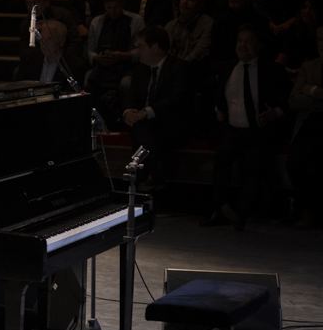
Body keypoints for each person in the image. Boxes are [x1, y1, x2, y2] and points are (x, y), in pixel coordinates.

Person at [202, 26, 291, 230]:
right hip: (232, 128)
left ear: (259, 45)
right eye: (240, 40)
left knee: (253, 165)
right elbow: (212, 93)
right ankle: (220, 209)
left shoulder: (272, 70)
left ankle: (241, 213)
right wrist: (217, 109)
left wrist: (276, 112)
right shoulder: (227, 68)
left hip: (259, 129)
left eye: (248, 41)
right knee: (222, 159)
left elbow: (289, 100)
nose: (243, 45)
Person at [121, 25, 191, 190]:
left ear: (155, 47)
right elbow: (129, 97)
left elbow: (176, 101)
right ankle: (153, 174)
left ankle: (142, 178)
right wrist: (128, 112)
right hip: (145, 125)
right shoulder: (141, 70)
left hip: (170, 122)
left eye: (141, 46)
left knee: (141, 130)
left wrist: (145, 113)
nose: (137, 51)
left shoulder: (180, 68)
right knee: (141, 128)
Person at [85, 0, 145, 121]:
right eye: (109, 8)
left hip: (127, 66)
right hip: (102, 67)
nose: (112, 11)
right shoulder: (97, 22)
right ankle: (92, 118)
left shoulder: (136, 21)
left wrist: (123, 56)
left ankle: (124, 117)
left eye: (116, 7)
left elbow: (141, 51)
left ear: (122, 4)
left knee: (125, 84)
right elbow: (89, 51)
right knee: (87, 81)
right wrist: (98, 58)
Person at [286, 25, 323, 227]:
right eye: (319, 39)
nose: (322, 44)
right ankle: (309, 208)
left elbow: (304, 96)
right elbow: (293, 100)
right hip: (310, 122)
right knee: (295, 162)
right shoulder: (309, 67)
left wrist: (314, 91)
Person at [18, 0, 84, 79]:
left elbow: (75, 44)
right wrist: (36, 39)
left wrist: (58, 58)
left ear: (46, 2)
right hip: (39, 65)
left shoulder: (63, 16)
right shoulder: (26, 24)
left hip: (64, 63)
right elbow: (24, 52)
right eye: (29, 3)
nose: (33, 6)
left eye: (36, 2)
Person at [165, 0, 214, 66]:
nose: (185, 2)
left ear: (199, 5)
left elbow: (200, 51)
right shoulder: (171, 25)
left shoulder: (206, 23)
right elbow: (165, 50)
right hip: (172, 69)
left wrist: (180, 67)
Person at [15, 19, 70, 86]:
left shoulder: (72, 66)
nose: (44, 43)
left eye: (49, 39)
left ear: (62, 41)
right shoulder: (30, 60)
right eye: (42, 38)